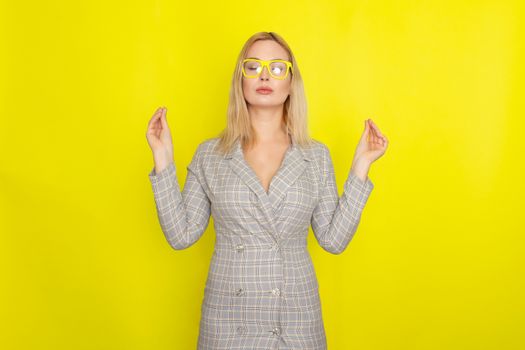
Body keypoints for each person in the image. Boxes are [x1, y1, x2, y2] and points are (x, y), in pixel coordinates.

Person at [145, 31, 388, 350]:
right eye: (253, 66)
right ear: (240, 79)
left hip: (296, 320)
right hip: (228, 323)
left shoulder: (315, 155)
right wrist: (163, 158)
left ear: (291, 82)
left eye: (277, 67)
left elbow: (333, 240)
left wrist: (361, 165)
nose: (264, 75)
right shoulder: (211, 154)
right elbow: (181, 235)